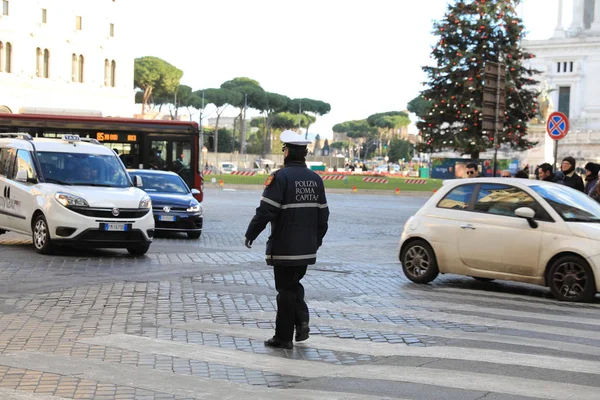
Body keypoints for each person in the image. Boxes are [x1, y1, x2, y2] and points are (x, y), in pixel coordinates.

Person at [244, 130, 329, 349]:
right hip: (307, 248)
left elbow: (266, 212)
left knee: (285, 290)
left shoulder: (280, 178)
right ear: (305, 154)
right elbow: (323, 216)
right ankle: (300, 323)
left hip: (285, 247)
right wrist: (315, 240)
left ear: (287, 151)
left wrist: (251, 233)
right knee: (292, 285)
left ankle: (284, 337)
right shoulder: (316, 180)